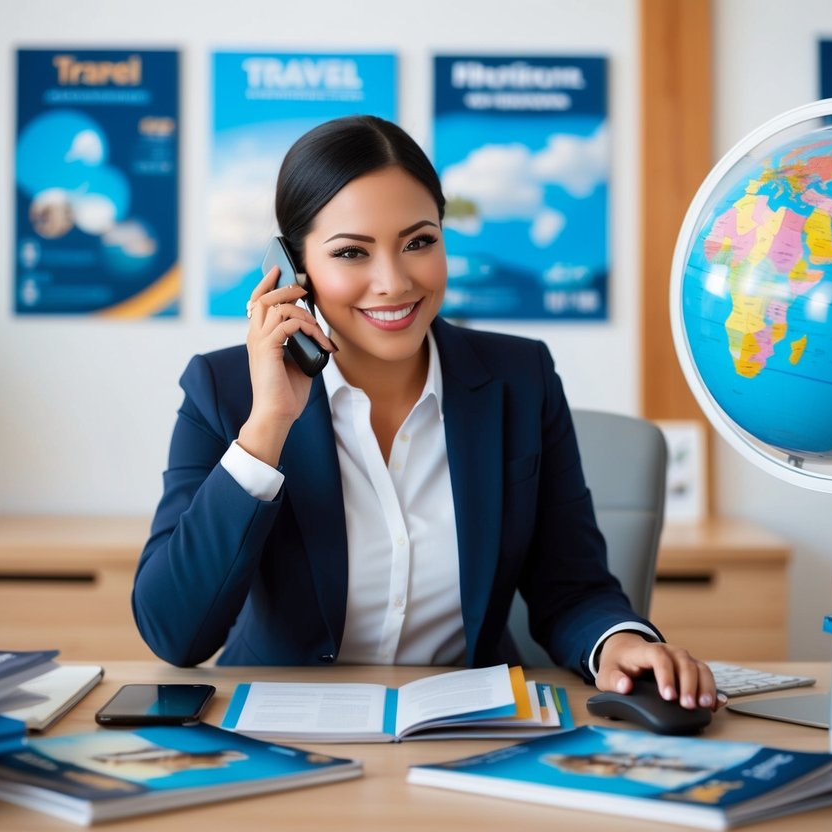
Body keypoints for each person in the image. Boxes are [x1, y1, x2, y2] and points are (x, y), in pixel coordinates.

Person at [133, 115, 719, 711]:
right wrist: (267, 428)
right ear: (292, 271)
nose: (393, 281)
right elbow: (175, 634)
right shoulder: (225, 389)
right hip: (283, 721)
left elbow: (571, 586)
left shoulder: (520, 379)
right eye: (352, 253)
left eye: (419, 242)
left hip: (469, 725)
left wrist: (617, 640)